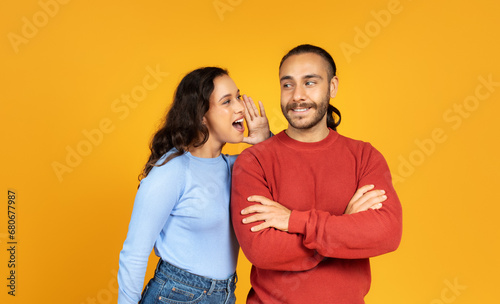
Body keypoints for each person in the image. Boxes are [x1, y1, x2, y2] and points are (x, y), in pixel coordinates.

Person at [230, 44, 403, 304]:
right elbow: (262, 250)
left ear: (332, 87)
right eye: (287, 85)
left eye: (310, 83)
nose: (297, 95)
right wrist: (345, 225)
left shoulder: (364, 156)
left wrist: (294, 222)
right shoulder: (253, 161)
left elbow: (387, 233)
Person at [117, 66, 272, 304]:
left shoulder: (238, 167)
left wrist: (265, 140)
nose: (241, 107)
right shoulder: (172, 171)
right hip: (177, 295)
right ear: (201, 115)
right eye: (227, 101)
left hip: (225, 294)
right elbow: (134, 254)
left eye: (238, 97)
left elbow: (288, 177)